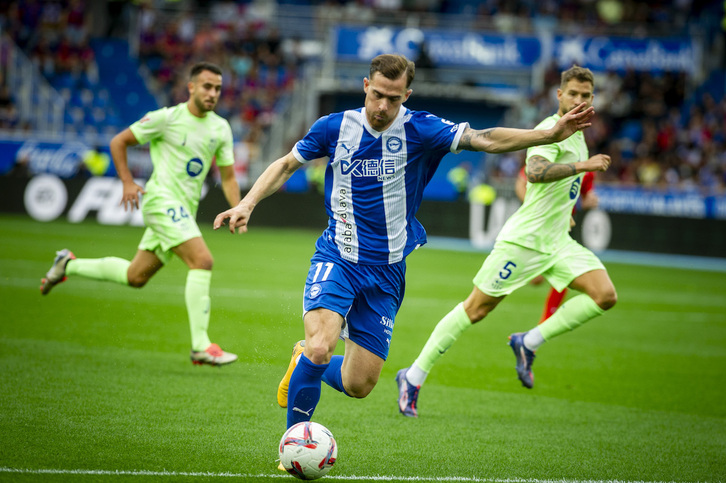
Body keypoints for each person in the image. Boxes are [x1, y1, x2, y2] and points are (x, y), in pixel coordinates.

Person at [214, 54, 594, 436]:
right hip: (339, 256)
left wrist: (547, 135)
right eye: (377, 94)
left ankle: (302, 361)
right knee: (320, 345)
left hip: (388, 271)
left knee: (358, 384)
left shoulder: (422, 130)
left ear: (406, 96)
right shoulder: (334, 127)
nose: (382, 106)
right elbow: (285, 164)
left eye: (393, 99)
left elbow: (484, 138)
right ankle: (293, 441)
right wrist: (247, 203)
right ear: (366, 86)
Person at [396, 64, 617, 418]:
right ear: (559, 95)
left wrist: (568, 207)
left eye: (585, 95)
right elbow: (534, 172)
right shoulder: (550, 128)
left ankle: (528, 341)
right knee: (476, 309)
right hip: (525, 242)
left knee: (605, 296)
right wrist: (583, 167)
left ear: (592, 99)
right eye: (572, 94)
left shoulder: (578, 134)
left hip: (558, 241)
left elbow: (557, 188)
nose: (579, 100)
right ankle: (413, 375)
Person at [40, 62, 241, 367]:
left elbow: (227, 177)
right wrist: (127, 182)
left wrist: (238, 207)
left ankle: (67, 264)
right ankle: (200, 345)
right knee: (202, 261)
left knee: (135, 277)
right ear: (191, 87)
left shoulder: (220, 128)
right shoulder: (166, 118)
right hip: (160, 201)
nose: (213, 93)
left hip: (182, 210)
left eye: (217, 88)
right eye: (207, 86)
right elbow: (119, 141)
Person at [514, 166, 599, 322]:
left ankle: (546, 320)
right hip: (540, 222)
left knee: (567, 272)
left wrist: (590, 201)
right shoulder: (551, 156)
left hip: (564, 226)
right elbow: (520, 183)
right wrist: (538, 210)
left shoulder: (587, 169)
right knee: (536, 280)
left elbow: (586, 197)